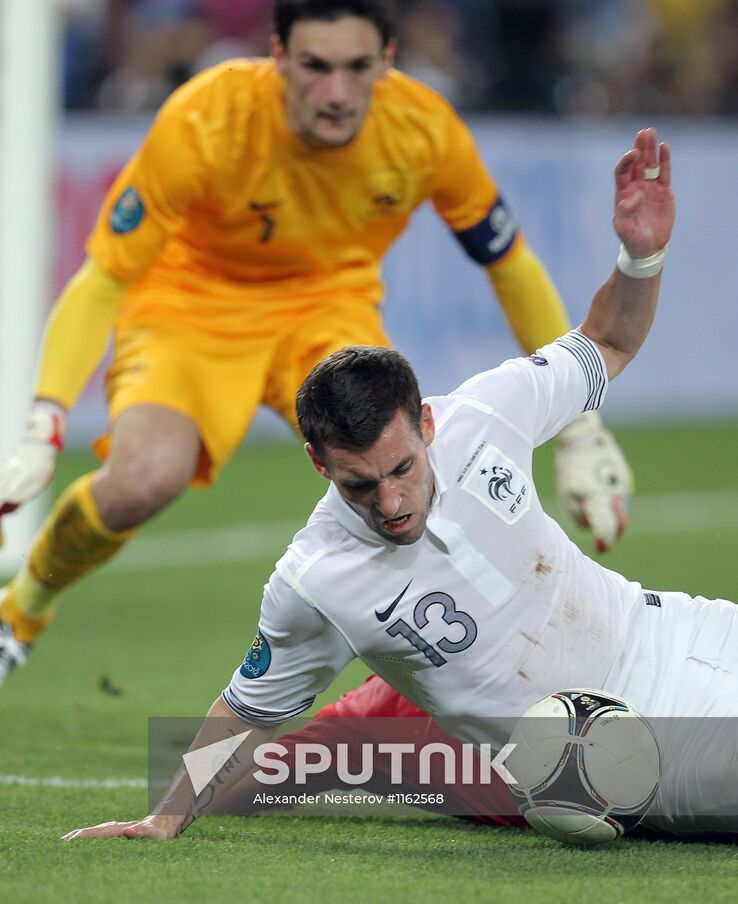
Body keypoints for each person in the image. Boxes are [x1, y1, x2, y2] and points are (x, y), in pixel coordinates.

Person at [66, 127, 738, 844]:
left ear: (425, 424)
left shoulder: (486, 413)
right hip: (612, 748)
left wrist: (642, 258)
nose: (390, 505)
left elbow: (608, 341)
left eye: (401, 471)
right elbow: (246, 711)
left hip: (677, 628)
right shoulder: (317, 577)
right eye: (359, 486)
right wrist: (164, 819)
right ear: (317, 464)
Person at [0, 0, 632, 685]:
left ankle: (449, 690)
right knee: (142, 479)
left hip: (327, 308)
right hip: (193, 303)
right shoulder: (205, 118)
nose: (336, 93)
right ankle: (24, 607)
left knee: (403, 476)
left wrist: (580, 427)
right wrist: (46, 418)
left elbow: (510, 263)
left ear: (388, 60)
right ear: (277, 56)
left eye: (358, 67)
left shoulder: (423, 130)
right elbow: (105, 274)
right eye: (315, 66)